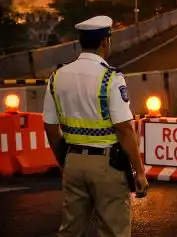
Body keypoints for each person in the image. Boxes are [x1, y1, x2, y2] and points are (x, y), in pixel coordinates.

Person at [43, 15, 149, 237]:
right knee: (114, 230)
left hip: (73, 161)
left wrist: (64, 162)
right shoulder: (111, 78)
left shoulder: (57, 76)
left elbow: (50, 127)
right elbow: (123, 128)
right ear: (105, 42)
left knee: (70, 231)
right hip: (107, 165)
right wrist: (139, 171)